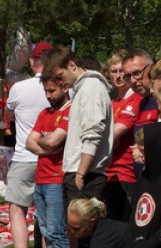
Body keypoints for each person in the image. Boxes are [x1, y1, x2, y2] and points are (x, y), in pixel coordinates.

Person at [1, 42, 52, 248]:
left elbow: (8, 117)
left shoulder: (19, 88)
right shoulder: (62, 88)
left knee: (17, 210)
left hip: (23, 156)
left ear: (32, 62)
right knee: (47, 214)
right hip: (50, 157)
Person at [43, 47, 113, 206]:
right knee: (75, 228)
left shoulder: (91, 87)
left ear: (72, 65)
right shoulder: (84, 88)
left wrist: (81, 174)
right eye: (56, 79)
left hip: (86, 175)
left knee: (82, 228)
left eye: (60, 76)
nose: (60, 83)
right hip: (81, 172)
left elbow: (93, 132)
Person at [26, 74, 71, 248]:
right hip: (41, 179)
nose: (48, 95)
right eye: (45, 91)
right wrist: (48, 148)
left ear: (64, 87)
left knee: (56, 231)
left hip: (56, 179)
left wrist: (46, 142)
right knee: (45, 231)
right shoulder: (45, 113)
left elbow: (53, 141)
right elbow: (30, 142)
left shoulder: (70, 111)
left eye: (52, 91)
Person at [107, 49, 141, 222]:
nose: (118, 76)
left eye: (122, 71)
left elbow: (110, 136)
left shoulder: (135, 99)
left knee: (120, 228)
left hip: (125, 174)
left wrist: (108, 136)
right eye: (114, 71)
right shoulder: (111, 101)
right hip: (107, 173)